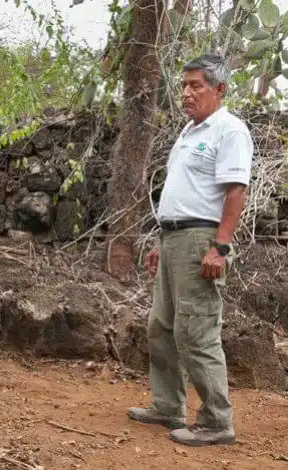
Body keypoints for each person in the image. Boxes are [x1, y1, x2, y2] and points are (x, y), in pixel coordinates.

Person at [127, 53, 254, 446]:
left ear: (219, 89)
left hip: (202, 240)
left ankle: (217, 421)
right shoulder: (188, 132)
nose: (186, 92)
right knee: (161, 327)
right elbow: (184, 194)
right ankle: (168, 407)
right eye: (184, 85)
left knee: (196, 331)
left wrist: (220, 247)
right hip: (174, 239)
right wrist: (161, 242)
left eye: (196, 85)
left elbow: (236, 191)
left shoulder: (228, 130)